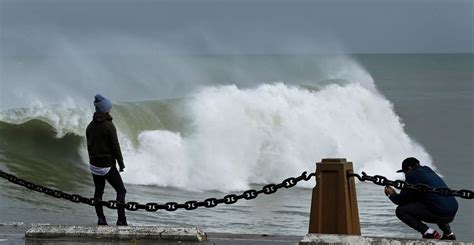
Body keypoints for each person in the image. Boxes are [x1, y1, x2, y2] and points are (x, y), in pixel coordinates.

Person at [384, 157, 458, 240]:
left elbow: (400, 200)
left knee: (400, 211)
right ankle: (449, 234)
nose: (405, 175)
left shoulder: (412, 175)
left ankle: (429, 232)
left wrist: (391, 195)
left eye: (405, 172)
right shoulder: (428, 170)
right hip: (452, 211)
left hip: (438, 213)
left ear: (409, 168)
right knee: (436, 201)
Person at [86, 94, 127, 226]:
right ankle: (121, 220)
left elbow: (89, 147)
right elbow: (115, 147)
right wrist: (121, 164)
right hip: (107, 165)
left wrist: (93, 161)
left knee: (99, 191)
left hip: (94, 166)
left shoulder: (90, 126)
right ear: (105, 109)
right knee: (121, 191)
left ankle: (101, 219)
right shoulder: (108, 126)